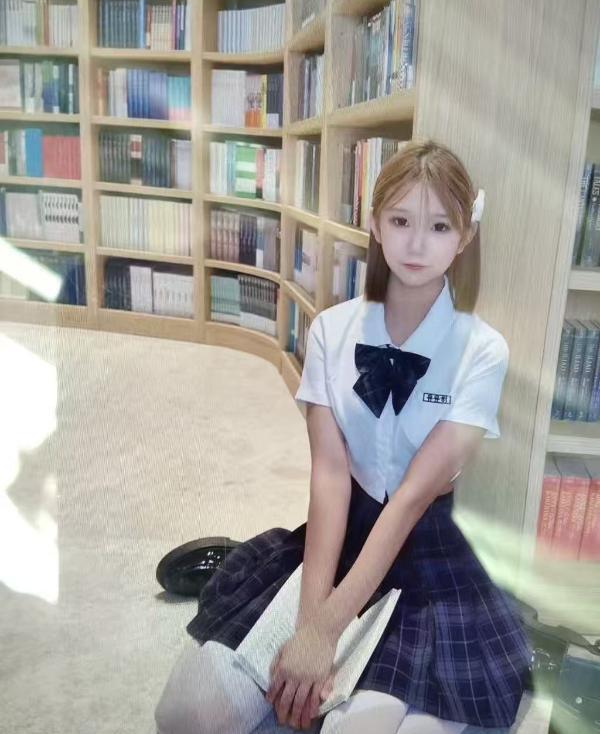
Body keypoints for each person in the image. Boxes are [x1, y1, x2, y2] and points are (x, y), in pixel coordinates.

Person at [154, 138, 532, 734]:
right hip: (340, 534)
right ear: (374, 223)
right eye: (401, 221)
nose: (416, 244)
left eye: (439, 226)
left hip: (428, 556)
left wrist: (328, 631)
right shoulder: (331, 330)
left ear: (464, 237)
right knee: (187, 716)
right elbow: (330, 475)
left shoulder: (483, 351)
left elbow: (412, 498)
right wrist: (311, 625)